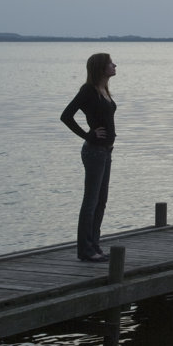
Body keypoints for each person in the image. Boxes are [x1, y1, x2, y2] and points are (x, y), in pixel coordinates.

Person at [61, 53, 118, 262]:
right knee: (91, 201)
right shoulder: (88, 90)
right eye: (110, 63)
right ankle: (84, 249)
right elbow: (66, 116)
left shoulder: (104, 90)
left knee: (101, 201)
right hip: (94, 152)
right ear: (101, 68)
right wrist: (88, 134)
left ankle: (94, 245)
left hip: (106, 151)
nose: (114, 65)